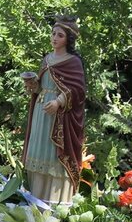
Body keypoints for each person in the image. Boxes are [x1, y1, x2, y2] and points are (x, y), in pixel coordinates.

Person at [22, 15, 87, 204]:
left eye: (60, 35)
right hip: (41, 112)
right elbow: (42, 87)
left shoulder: (73, 62)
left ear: (69, 39)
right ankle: (34, 197)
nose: (54, 38)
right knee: (38, 151)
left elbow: (78, 90)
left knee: (52, 153)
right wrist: (33, 85)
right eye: (53, 34)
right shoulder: (47, 59)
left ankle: (54, 201)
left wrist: (59, 101)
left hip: (58, 116)